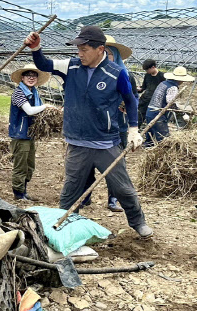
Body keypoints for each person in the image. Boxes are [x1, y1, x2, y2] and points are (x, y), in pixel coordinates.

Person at [24, 25, 153, 238]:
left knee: (123, 189)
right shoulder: (71, 66)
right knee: (70, 191)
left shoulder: (117, 73)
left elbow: (131, 100)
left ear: (100, 49)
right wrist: (36, 49)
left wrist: (133, 130)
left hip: (106, 143)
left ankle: (138, 222)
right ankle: (61, 229)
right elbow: (44, 64)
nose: (79, 54)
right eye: (78, 49)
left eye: (84, 50)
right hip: (77, 142)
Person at [82, 36, 138, 212]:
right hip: (92, 127)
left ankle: (113, 199)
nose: (106, 57)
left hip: (116, 128)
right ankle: (85, 197)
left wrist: (129, 119)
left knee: (115, 166)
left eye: (110, 54)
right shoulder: (87, 74)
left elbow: (132, 100)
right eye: (104, 53)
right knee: (87, 164)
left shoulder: (125, 75)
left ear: (115, 56)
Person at [8, 63, 51, 201]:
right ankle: (19, 194)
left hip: (30, 134)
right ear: (22, 77)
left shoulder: (34, 93)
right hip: (20, 134)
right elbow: (30, 110)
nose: (31, 78)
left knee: (29, 165)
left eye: (34, 76)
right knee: (20, 166)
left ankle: (24, 192)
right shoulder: (18, 93)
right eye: (28, 75)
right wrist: (46, 106)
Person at [144, 66, 194, 147]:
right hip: (158, 115)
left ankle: (147, 150)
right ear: (180, 79)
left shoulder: (163, 83)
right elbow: (170, 103)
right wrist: (183, 114)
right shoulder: (173, 87)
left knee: (150, 138)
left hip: (150, 111)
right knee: (163, 139)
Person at [137, 59, 165, 127]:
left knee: (152, 117)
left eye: (147, 70)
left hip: (155, 101)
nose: (147, 71)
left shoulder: (162, 76)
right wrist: (139, 89)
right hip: (145, 98)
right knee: (140, 114)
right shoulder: (147, 75)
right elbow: (144, 87)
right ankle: (137, 128)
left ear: (153, 67)